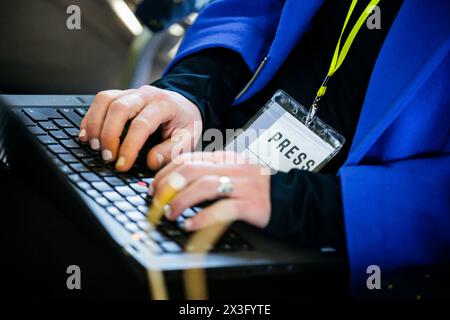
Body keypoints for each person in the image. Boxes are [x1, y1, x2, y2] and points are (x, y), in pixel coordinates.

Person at [79, 0, 450, 288]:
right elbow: (249, 9)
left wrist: (308, 204)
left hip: (344, 244)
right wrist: (193, 90)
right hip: (211, 157)